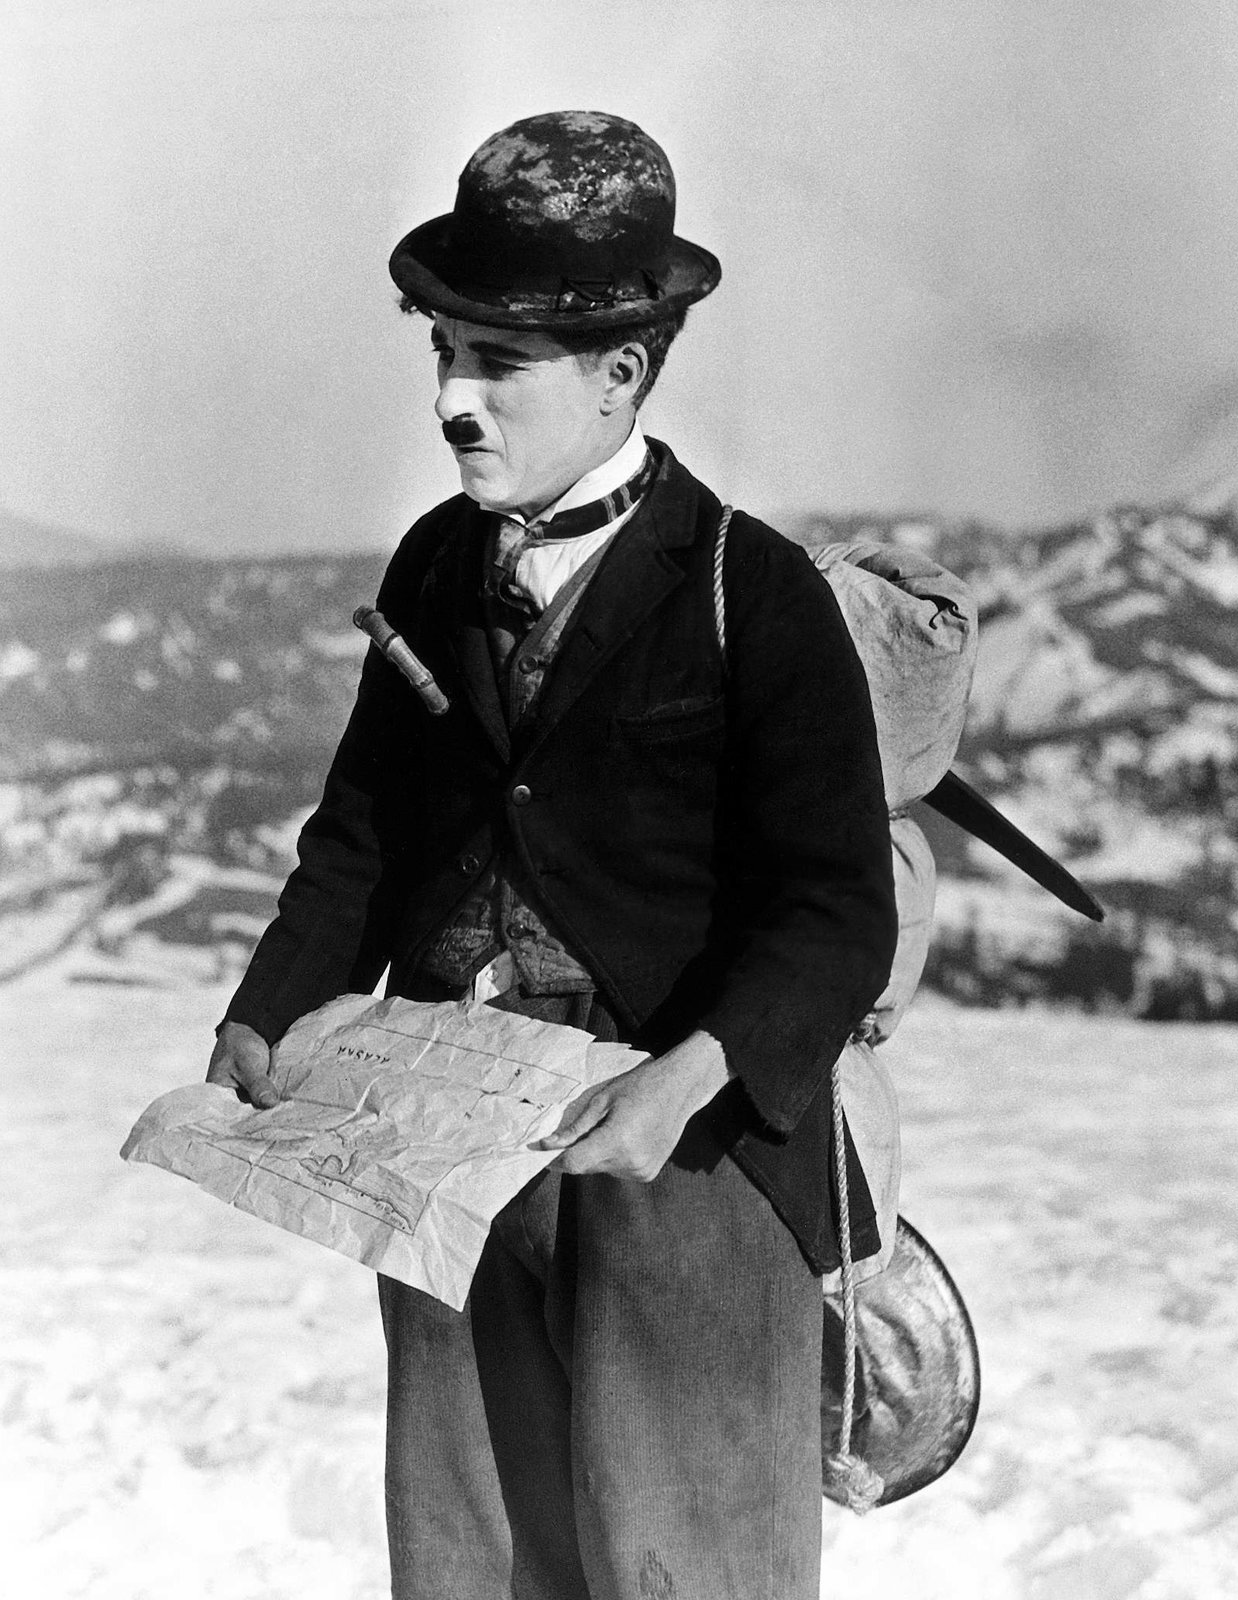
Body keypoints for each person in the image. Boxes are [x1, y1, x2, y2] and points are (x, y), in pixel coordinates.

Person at [207, 109, 897, 1600]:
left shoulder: (753, 590)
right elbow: (365, 831)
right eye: (443, 351)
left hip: (685, 1152)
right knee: (473, 1559)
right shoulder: (432, 565)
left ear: (621, 373)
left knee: (687, 1565)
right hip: (445, 1149)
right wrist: (267, 1009)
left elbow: (837, 913)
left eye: (499, 363)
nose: (452, 400)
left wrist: (685, 1081)